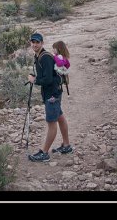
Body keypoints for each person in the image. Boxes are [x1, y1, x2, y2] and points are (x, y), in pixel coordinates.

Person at [27, 33, 73, 162]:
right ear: (30, 43)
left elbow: (47, 79)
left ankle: (44, 153)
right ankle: (66, 145)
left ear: (42, 43)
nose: (34, 44)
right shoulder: (39, 56)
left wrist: (34, 80)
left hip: (52, 94)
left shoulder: (45, 57)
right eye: (33, 42)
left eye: (37, 42)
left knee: (51, 123)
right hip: (54, 92)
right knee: (60, 116)